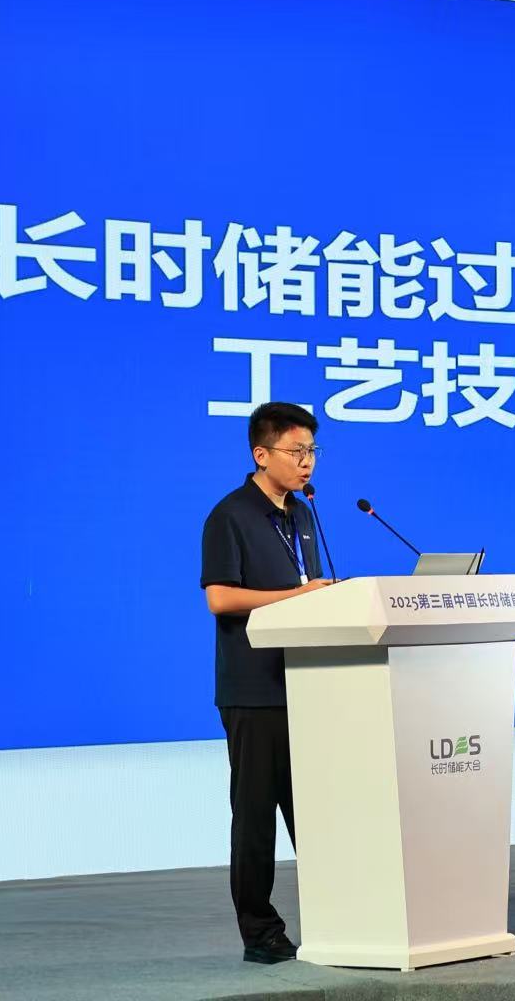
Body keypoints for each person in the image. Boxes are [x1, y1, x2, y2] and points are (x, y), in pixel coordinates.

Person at [200, 401, 332, 965]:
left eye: (312, 451)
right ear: (262, 453)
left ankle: (338, 914)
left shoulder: (302, 515)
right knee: (256, 817)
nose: (307, 463)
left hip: (308, 684)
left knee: (319, 811)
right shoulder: (230, 515)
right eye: (296, 451)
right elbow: (220, 598)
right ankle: (260, 932)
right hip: (254, 690)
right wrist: (298, 596)